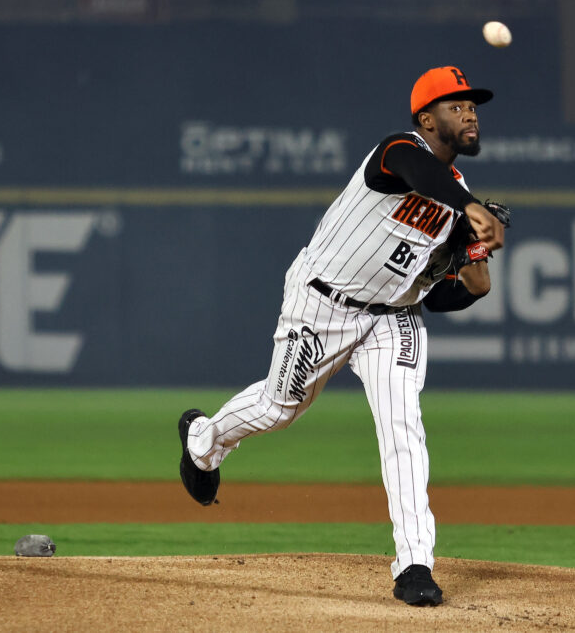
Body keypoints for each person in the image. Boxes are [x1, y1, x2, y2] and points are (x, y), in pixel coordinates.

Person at [177, 66, 507, 606]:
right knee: (279, 408)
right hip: (322, 302)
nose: (470, 113)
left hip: (391, 318)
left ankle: (415, 564)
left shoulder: (458, 200)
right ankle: (203, 441)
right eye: (456, 105)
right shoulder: (398, 150)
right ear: (427, 119)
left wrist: (472, 264)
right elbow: (420, 172)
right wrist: (467, 209)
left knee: (402, 427)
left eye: (473, 106)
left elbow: (446, 294)